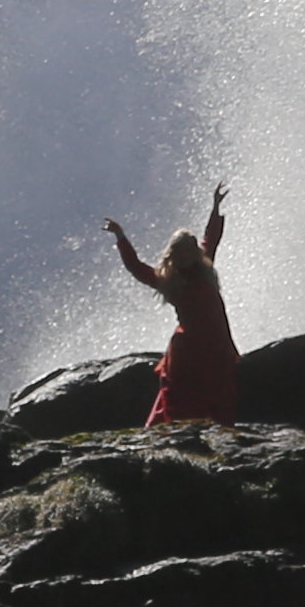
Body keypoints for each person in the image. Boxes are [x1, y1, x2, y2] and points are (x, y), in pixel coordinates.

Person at [105, 183, 242, 427]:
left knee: (221, 391)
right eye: (180, 253)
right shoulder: (168, 279)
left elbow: (211, 238)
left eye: (190, 251)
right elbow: (136, 267)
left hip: (217, 341)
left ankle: (218, 432)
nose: (185, 257)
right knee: (184, 400)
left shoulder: (205, 268)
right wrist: (120, 236)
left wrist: (215, 208)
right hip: (189, 349)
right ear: (173, 255)